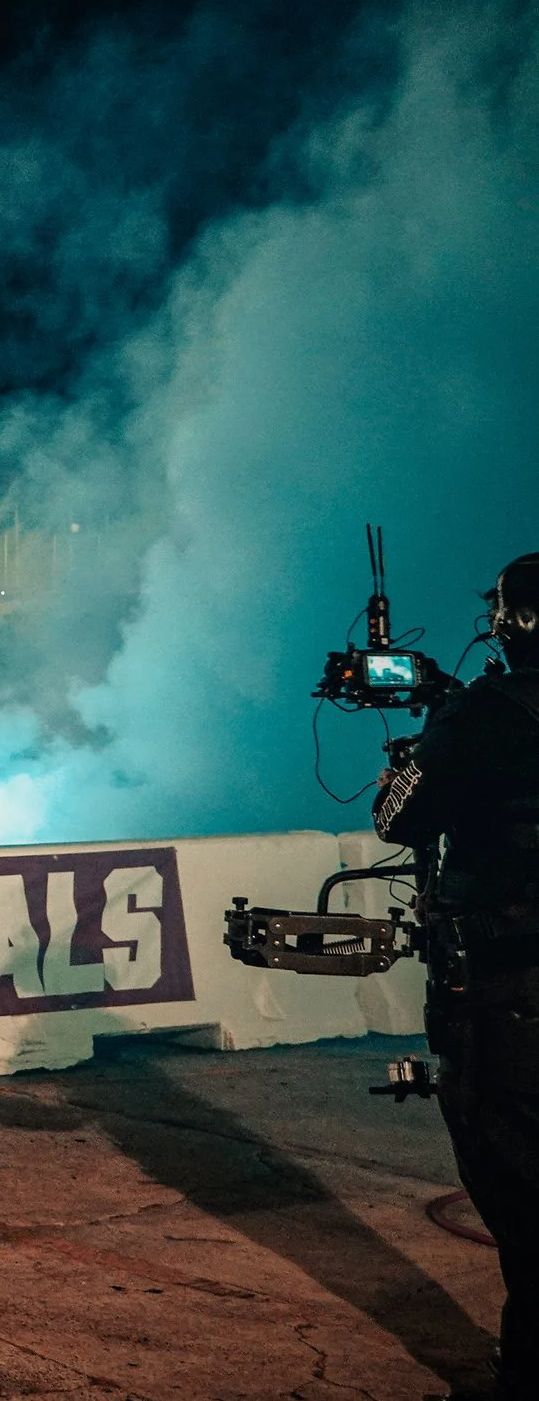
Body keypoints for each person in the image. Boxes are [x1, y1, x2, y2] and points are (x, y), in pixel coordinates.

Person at [375, 551, 539, 1394]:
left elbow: (397, 815)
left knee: (514, 1182)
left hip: (510, 1001)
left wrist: (429, 742)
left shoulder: (489, 715)